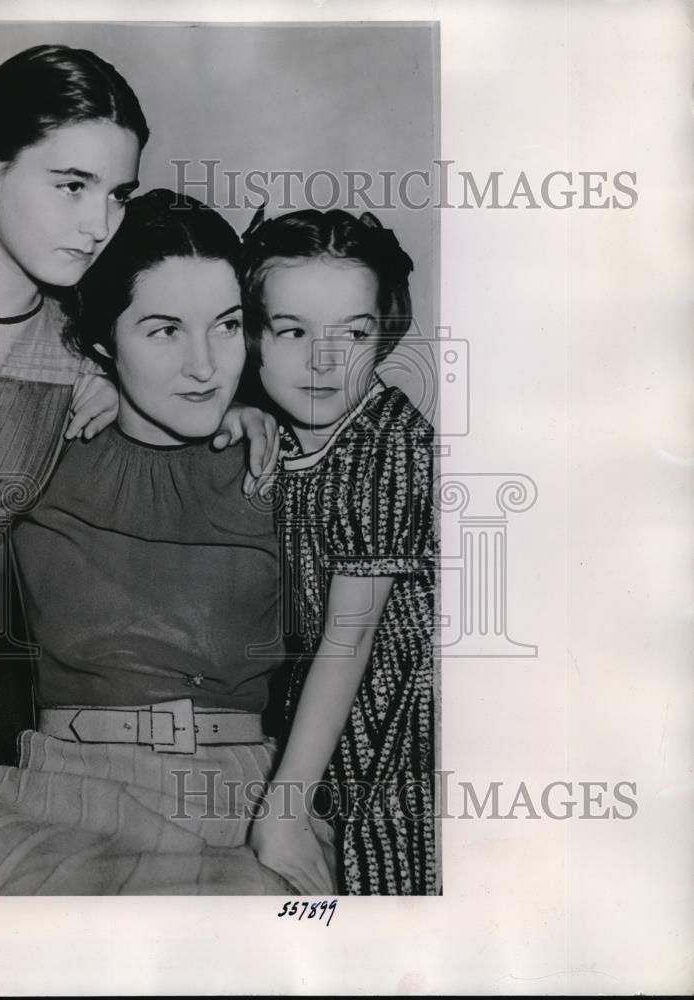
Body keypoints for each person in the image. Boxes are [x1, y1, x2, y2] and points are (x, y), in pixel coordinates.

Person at [0, 45, 277, 803]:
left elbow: (169, 382)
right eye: (72, 186)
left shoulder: (76, 352)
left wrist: (236, 411)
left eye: (116, 194)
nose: (97, 224)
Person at [0, 190, 334, 895]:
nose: (204, 367)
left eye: (225, 326)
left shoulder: (286, 462)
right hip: (62, 804)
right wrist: (74, 377)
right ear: (103, 339)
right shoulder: (38, 443)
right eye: (164, 331)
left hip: (248, 806)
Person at [241, 208, 438, 895]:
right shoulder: (289, 432)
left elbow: (350, 635)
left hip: (402, 742)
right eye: (293, 331)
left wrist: (285, 807)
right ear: (253, 338)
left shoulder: (390, 443)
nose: (323, 360)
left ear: (383, 334)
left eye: (352, 334)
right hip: (326, 728)